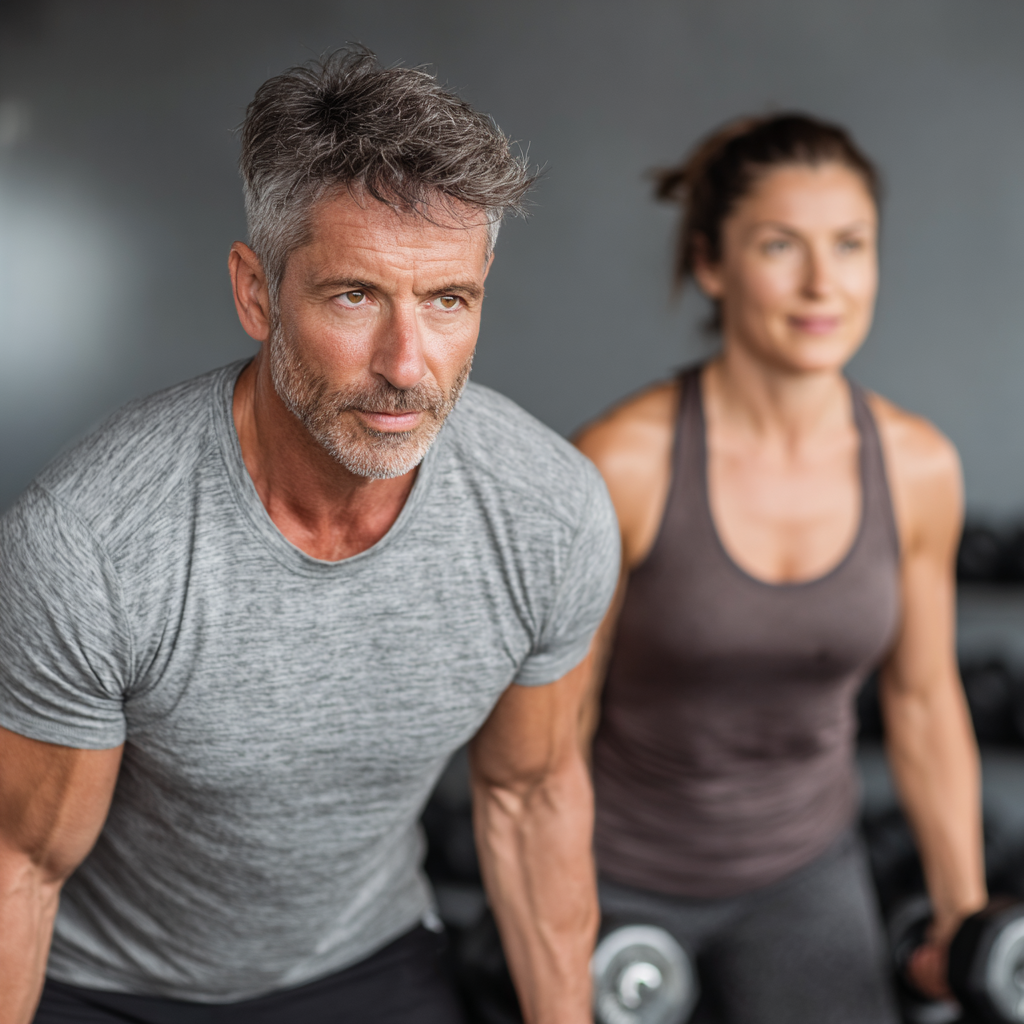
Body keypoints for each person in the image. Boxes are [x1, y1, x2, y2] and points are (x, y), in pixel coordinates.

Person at [0, 50, 619, 1024]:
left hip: (363, 960)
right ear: (257, 292)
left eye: (446, 300)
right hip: (110, 984)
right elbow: (21, 867)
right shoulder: (92, 544)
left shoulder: (546, 511)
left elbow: (530, 795)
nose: (405, 365)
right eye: (354, 295)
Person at [575, 113, 986, 1023]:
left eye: (850, 244)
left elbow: (923, 701)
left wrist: (962, 918)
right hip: (618, 877)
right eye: (779, 245)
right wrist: (551, 916)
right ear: (711, 264)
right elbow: (556, 729)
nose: (821, 283)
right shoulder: (624, 463)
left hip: (805, 875)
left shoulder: (918, 468)